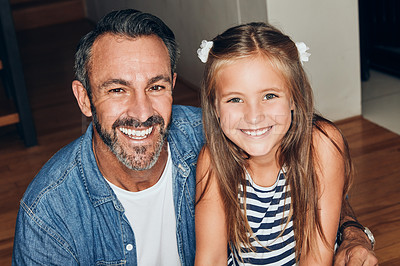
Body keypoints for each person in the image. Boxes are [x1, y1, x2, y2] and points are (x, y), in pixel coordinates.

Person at [12, 9, 376, 266]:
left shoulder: (220, 135)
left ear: (173, 86)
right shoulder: (49, 216)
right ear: (84, 98)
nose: (141, 112)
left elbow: (311, 175)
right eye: (117, 90)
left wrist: (352, 232)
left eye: (155, 86)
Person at [194, 22, 377, 265]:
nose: (253, 116)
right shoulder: (213, 161)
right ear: (215, 107)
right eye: (235, 99)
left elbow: (316, 257)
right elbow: (211, 258)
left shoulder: (321, 144)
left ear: (293, 98)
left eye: (269, 96)